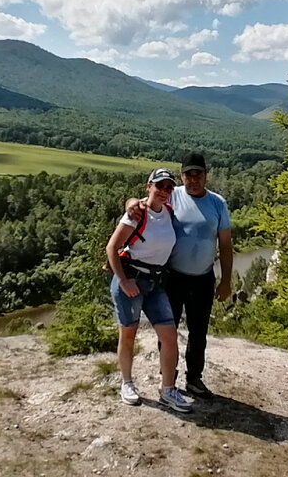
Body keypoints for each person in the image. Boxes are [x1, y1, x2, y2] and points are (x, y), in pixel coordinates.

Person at [126, 152, 232, 398]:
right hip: (172, 278)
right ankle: (168, 380)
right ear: (182, 176)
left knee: (198, 332)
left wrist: (226, 281)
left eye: (198, 174)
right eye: (188, 175)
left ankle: (194, 379)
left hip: (204, 278)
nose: (193, 180)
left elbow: (225, 245)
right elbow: (141, 203)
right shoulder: (171, 195)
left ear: (206, 175)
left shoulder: (218, 203)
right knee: (167, 330)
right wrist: (130, 202)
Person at [106, 167, 193, 413]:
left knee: (169, 337)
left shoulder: (169, 212)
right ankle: (127, 383)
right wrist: (123, 281)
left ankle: (168, 390)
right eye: (160, 186)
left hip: (155, 284)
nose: (165, 191)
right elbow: (112, 248)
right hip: (131, 281)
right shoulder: (137, 214)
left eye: (169, 187)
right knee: (129, 334)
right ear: (149, 186)